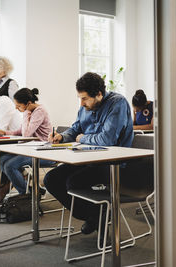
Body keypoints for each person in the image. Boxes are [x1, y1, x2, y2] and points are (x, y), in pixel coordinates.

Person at [44, 72, 134, 235]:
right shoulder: (84, 107)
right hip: (88, 159)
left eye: (85, 98)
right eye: (80, 98)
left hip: (113, 163)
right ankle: (95, 214)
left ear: (99, 94)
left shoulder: (117, 103)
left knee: (74, 182)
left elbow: (107, 139)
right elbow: (76, 127)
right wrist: (62, 136)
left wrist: (82, 138)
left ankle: (95, 216)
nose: (82, 103)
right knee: (51, 179)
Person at [0, 88, 55, 195]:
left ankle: (26, 194)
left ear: (28, 103)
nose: (16, 108)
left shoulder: (39, 111)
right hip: (33, 150)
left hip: (45, 153)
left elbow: (26, 134)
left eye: (18, 106)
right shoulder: (30, 111)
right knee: (2, 160)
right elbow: (21, 131)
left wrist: (26, 113)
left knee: (10, 165)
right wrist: (4, 133)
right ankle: (31, 190)